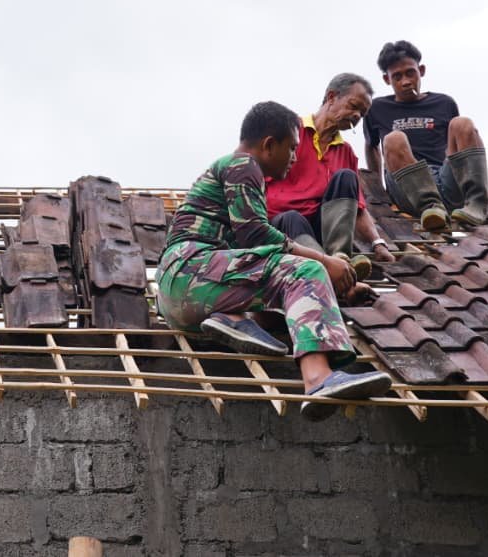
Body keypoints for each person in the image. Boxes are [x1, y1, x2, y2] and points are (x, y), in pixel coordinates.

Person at [157, 100, 392, 420]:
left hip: (182, 293)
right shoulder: (243, 165)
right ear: (269, 145)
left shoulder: (228, 171)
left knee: (281, 307)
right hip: (193, 268)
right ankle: (319, 379)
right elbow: (256, 234)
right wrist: (325, 262)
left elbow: (252, 259)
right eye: (292, 148)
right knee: (304, 270)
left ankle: (231, 318)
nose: (295, 157)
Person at [265, 73, 395, 279]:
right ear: (331, 97)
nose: (356, 116)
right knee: (292, 217)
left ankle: (340, 256)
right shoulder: (290, 131)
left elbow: (358, 208)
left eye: (362, 113)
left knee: (346, 177)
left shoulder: (345, 152)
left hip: (322, 229)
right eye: (353, 106)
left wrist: (377, 243)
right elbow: (253, 181)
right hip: (283, 228)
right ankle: (328, 268)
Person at [363, 40, 488, 230]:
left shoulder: (444, 103)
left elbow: (457, 146)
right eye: (397, 76)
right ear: (387, 80)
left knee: (462, 123)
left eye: (410, 73)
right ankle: (431, 208)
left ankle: (477, 204)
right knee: (394, 138)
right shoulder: (377, 108)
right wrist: (379, 188)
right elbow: (371, 145)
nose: (405, 81)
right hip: (406, 188)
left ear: (421, 70)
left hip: (444, 181)